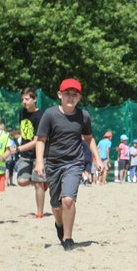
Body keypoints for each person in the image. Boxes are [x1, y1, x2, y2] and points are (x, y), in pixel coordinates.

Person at [34, 78, 104, 251]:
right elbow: (41, 140)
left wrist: (98, 158)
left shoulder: (84, 116)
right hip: (53, 164)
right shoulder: (50, 114)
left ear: (79, 97)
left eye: (75, 95)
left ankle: (68, 238)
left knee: (67, 200)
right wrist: (40, 162)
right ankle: (59, 224)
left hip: (74, 163)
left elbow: (89, 138)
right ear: (60, 95)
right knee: (56, 206)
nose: (70, 98)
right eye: (67, 94)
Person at [14, 87, 48, 217]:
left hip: (39, 155)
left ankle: (40, 213)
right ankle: (42, 181)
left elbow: (37, 141)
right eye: (22, 99)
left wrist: (17, 149)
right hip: (25, 155)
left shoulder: (41, 116)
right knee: (21, 181)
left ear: (35, 99)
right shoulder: (22, 112)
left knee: (39, 184)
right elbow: (24, 132)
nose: (24, 102)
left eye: (27, 99)